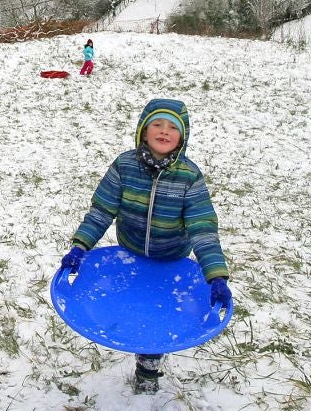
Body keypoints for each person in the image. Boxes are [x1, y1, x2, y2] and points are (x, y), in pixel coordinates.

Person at [60, 98, 233, 394]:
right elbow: (102, 211)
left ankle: (148, 368)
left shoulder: (189, 177)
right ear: (143, 130)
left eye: (172, 127)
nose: (164, 131)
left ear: (182, 136)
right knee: (134, 305)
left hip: (171, 260)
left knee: (160, 314)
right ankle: (129, 334)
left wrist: (216, 276)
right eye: (156, 124)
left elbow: (203, 228)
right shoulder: (124, 167)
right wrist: (80, 245)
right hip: (131, 253)